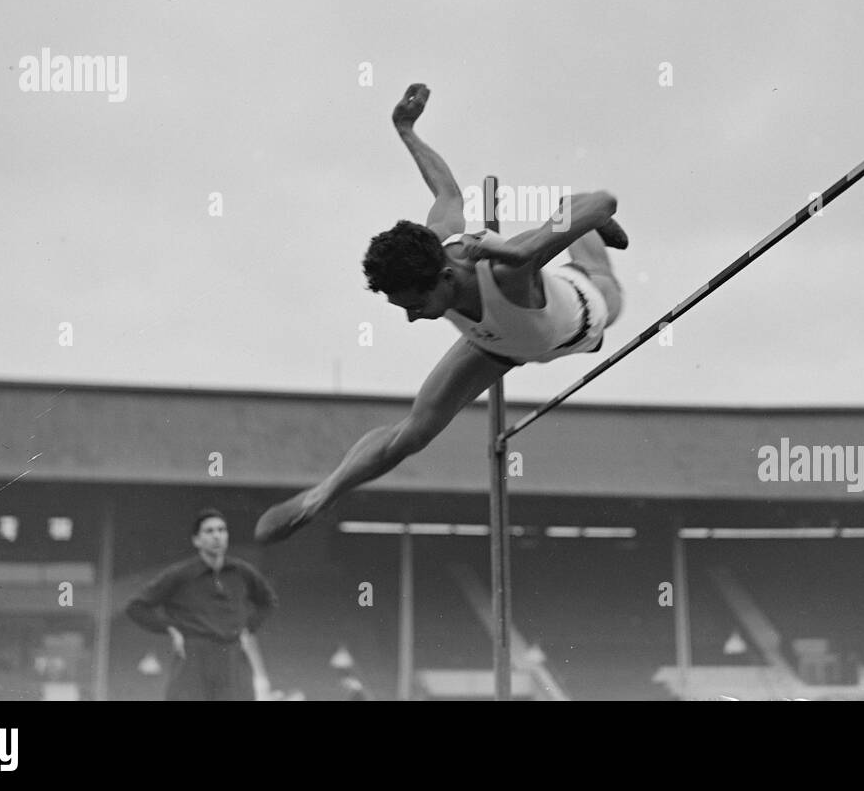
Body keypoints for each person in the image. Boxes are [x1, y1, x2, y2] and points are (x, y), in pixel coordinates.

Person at [256, 84, 627, 543]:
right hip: (498, 344)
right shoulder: (441, 241)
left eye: (415, 306)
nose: (413, 319)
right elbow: (447, 190)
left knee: (586, 239)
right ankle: (322, 493)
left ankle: (570, 220)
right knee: (412, 434)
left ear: (447, 278)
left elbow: (606, 200)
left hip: (586, 309)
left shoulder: (505, 271)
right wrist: (406, 130)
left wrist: (522, 251)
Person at [127, 508, 279, 701]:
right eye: (209, 531)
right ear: (196, 540)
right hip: (193, 657)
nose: (217, 536)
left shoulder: (242, 573)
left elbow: (268, 601)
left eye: (221, 530)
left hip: (231, 656)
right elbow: (136, 606)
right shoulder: (180, 575)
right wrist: (170, 628)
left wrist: (248, 628)